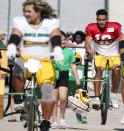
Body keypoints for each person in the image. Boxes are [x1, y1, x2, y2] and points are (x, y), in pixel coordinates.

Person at [6, 0, 64, 130]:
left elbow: (55, 36)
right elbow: (16, 34)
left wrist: (57, 49)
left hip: (44, 60)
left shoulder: (50, 22)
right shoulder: (21, 21)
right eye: (25, 11)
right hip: (26, 58)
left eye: (29, 11)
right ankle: (20, 100)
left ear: (38, 11)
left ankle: (46, 121)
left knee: (48, 91)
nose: (26, 14)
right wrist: (11, 45)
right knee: (17, 70)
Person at [85, 9, 121, 109]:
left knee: (117, 70)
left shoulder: (115, 26)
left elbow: (123, 38)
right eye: (99, 19)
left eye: (103, 19)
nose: (101, 22)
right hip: (100, 55)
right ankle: (96, 98)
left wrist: (123, 50)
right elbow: (87, 41)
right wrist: (89, 49)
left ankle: (114, 96)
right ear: (96, 19)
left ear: (107, 19)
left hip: (114, 54)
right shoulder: (92, 27)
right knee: (99, 71)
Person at [51, 30, 80, 129]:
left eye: (64, 39)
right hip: (53, 75)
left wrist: (77, 78)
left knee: (63, 98)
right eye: (60, 40)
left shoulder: (69, 51)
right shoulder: (52, 50)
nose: (62, 41)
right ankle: (54, 121)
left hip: (64, 74)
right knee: (54, 99)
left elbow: (73, 65)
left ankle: (62, 119)